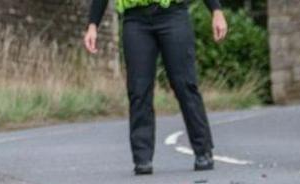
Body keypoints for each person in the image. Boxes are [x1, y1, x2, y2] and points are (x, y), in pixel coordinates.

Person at [84, 0, 229, 175]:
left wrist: (216, 11)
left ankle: (203, 151)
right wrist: (93, 25)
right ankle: (142, 158)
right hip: (135, 20)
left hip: (173, 15)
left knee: (185, 84)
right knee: (138, 89)